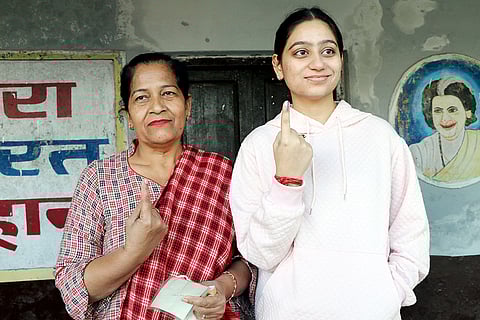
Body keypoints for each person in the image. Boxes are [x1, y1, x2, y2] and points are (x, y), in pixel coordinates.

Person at [229, 7, 430, 320]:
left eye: (328, 51)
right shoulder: (259, 144)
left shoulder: (380, 136)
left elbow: (411, 234)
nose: (318, 63)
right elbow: (259, 254)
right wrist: (287, 181)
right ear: (278, 65)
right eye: (301, 52)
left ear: (340, 60)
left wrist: (389, 295)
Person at [55, 52, 255, 320]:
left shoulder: (222, 172)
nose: (157, 106)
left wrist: (221, 287)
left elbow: (251, 260)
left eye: (168, 94)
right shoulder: (99, 178)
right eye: (141, 97)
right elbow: (75, 283)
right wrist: (134, 252)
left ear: (188, 104)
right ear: (128, 114)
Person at [409, 77, 480, 183]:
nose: (445, 119)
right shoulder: (420, 152)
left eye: (452, 110)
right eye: (438, 111)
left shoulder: (477, 142)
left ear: (467, 112)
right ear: (430, 115)